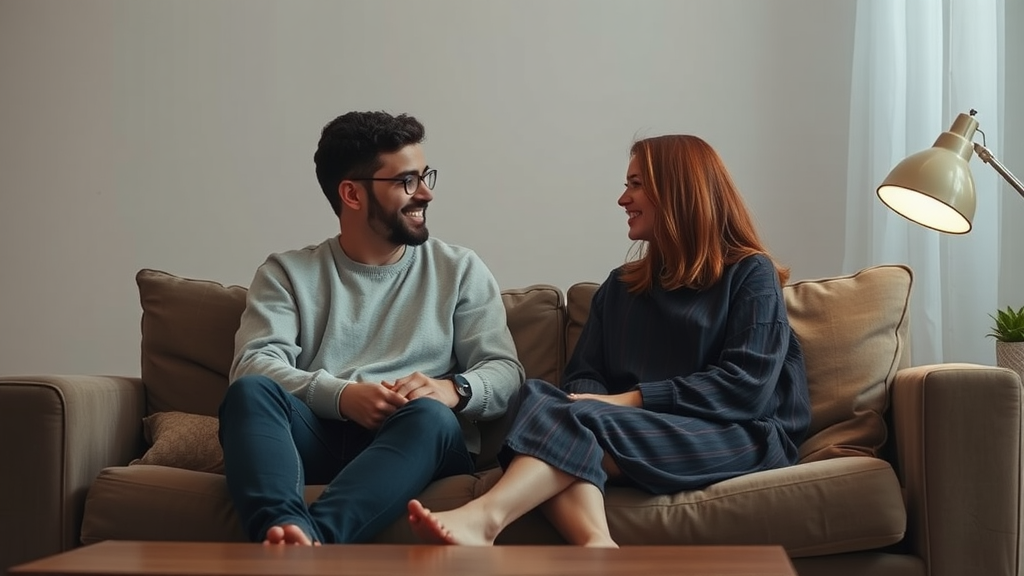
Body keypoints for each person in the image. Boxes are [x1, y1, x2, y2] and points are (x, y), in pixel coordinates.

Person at [408, 134, 812, 547]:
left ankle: (485, 519)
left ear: (678, 191)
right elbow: (584, 375)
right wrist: (589, 401)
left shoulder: (750, 274)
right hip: (633, 429)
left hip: (737, 433)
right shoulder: (621, 288)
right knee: (539, 395)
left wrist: (622, 401)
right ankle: (597, 548)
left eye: (635, 184)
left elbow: (746, 388)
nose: (623, 199)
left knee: (574, 417)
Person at [219, 110, 525, 546]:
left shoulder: (459, 269)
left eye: (425, 176)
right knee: (249, 393)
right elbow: (253, 365)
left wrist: (452, 390)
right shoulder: (287, 273)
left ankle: (310, 539)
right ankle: (281, 527)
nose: (426, 194)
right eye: (406, 181)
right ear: (352, 194)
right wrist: (342, 397)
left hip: (417, 439)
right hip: (320, 437)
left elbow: (506, 372)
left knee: (432, 417)